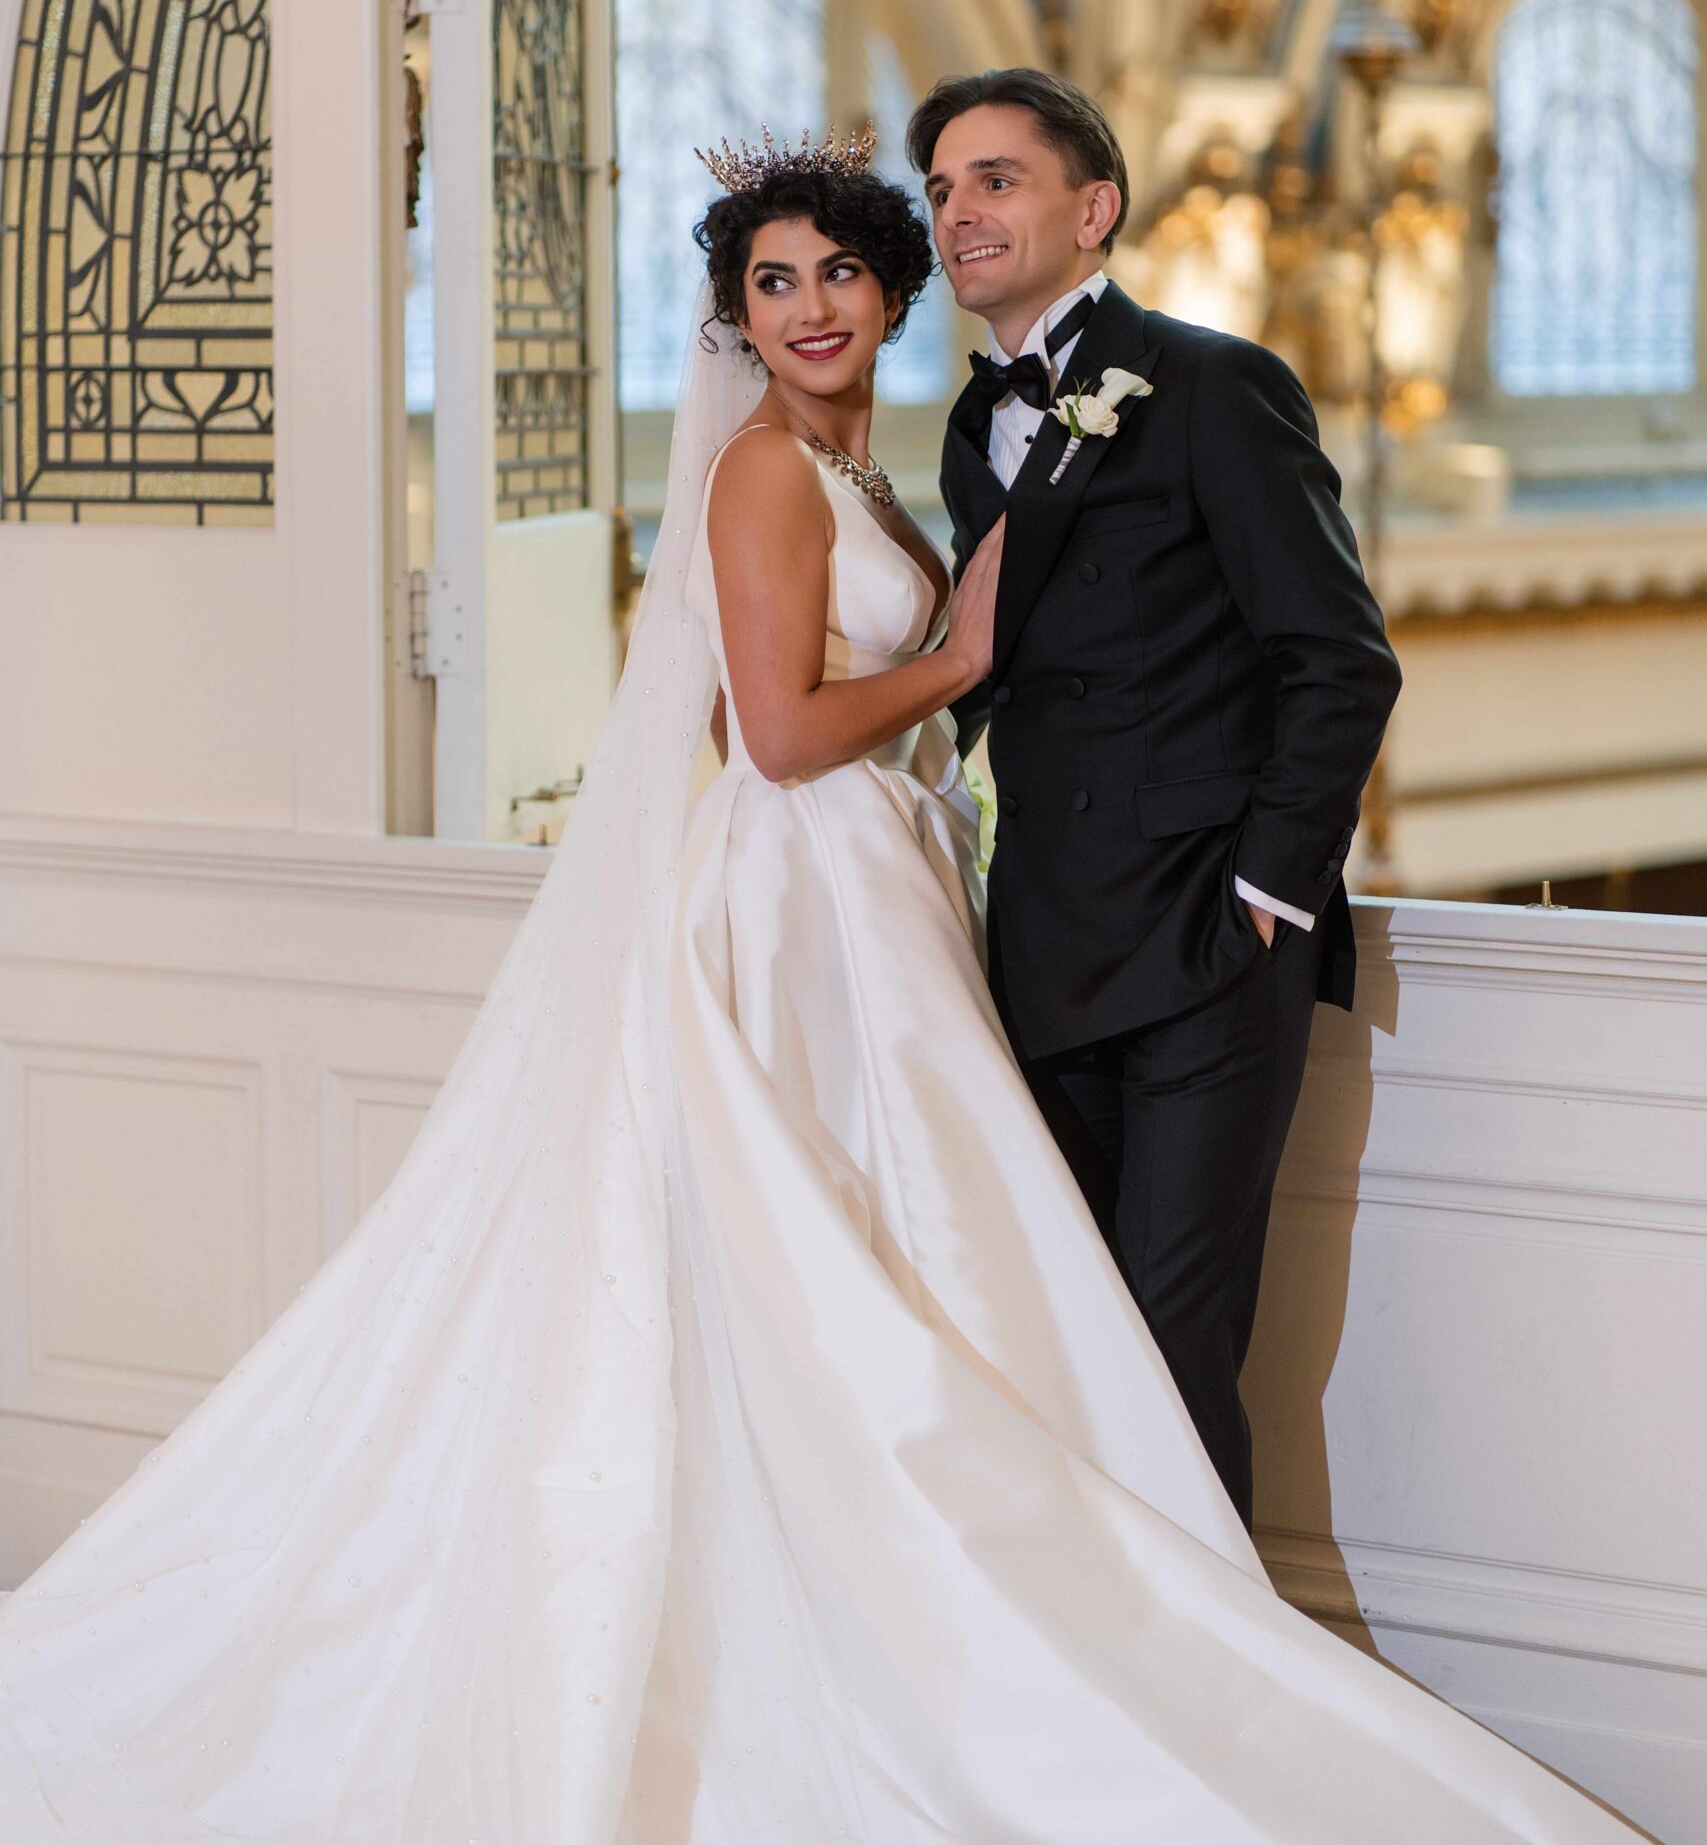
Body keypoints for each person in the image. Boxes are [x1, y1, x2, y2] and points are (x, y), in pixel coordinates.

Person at [0, 130, 1634, 1842]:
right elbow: (775, 737)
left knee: (948, 1290)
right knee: (844, 1286)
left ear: (897, 289)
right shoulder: (767, 476)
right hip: (809, 899)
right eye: (769, 285)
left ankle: (1059, 1651)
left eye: (839, 273)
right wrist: (956, 658)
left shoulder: (902, 464)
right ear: (737, 320)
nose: (808, 308)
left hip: (919, 891)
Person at [917, 67, 1401, 1526]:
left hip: (1205, 950)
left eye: (997, 179)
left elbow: (1340, 660)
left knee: (1176, 1349)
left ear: (1095, 207)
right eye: (941, 190)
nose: (959, 213)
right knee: (1074, 1346)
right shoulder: (967, 426)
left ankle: (1223, 1710)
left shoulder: (1212, 385)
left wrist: (1265, 895)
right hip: (1042, 951)